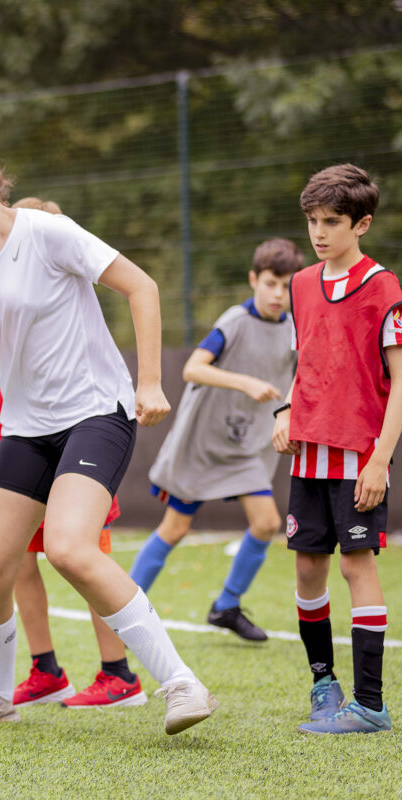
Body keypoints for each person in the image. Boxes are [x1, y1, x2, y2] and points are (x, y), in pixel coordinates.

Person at [0, 134, 217, 735]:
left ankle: (181, 683)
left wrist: (149, 382)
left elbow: (143, 287)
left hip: (95, 413)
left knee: (68, 548)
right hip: (27, 429)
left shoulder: (49, 234)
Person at [0, 198, 145, 710]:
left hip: (78, 439)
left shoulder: (63, 291)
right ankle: (46, 670)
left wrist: (149, 383)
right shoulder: (1, 300)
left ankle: (119, 673)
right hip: (22, 448)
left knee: (83, 555)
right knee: (13, 560)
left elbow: (139, 286)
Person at [273, 163, 401, 734]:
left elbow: (400, 381)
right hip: (307, 452)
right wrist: (284, 409)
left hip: (357, 454)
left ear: (362, 223)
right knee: (307, 567)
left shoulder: (384, 288)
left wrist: (379, 460)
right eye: (312, 221)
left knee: (355, 566)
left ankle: (370, 705)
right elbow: (305, 360)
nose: (319, 232)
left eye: (331, 222)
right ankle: (324, 685)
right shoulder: (300, 284)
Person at [130, 238, 305, 641]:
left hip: (247, 446)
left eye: (286, 286)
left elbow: (302, 373)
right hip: (203, 444)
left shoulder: (295, 329)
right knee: (174, 529)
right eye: (271, 283)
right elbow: (193, 369)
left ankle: (226, 605)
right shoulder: (234, 321)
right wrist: (245, 383)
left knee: (267, 523)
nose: (279, 294)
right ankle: (126, 607)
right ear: (253, 280)